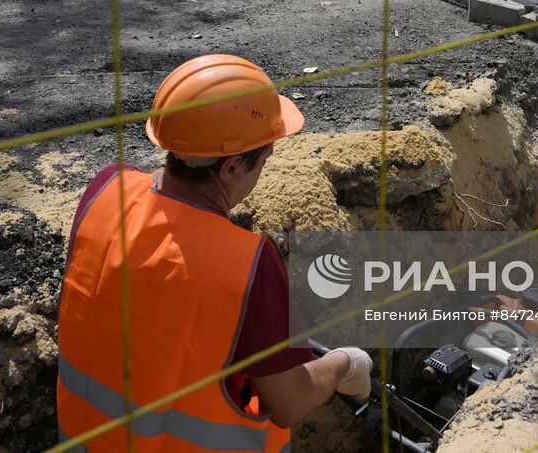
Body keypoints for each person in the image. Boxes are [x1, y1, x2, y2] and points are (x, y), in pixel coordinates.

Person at [56, 54, 373, 451]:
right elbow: (288, 403)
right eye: (263, 161)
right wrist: (347, 363)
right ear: (230, 168)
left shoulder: (104, 191)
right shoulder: (247, 263)